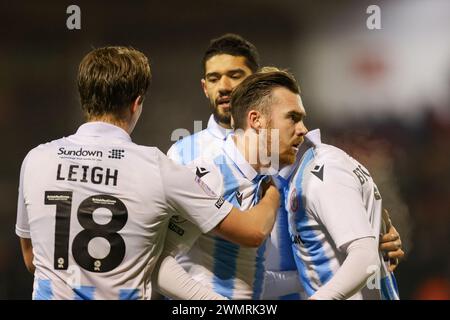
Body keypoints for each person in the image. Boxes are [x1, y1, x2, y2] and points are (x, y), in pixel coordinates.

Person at [15, 46, 281, 300]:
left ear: (83, 98)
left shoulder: (36, 159)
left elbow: (31, 259)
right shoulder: (159, 167)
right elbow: (253, 231)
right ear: (137, 103)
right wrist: (272, 190)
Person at [166, 34, 404, 300]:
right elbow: (160, 257)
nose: (224, 86)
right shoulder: (190, 158)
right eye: (214, 78)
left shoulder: (291, 158)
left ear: (253, 82)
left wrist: (370, 237)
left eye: (235, 75)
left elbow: (265, 265)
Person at [155, 68, 307, 300]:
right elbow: (157, 263)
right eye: (293, 118)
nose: (303, 129)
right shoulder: (209, 173)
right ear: (256, 120)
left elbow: (246, 281)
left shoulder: (262, 180)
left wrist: (312, 278)